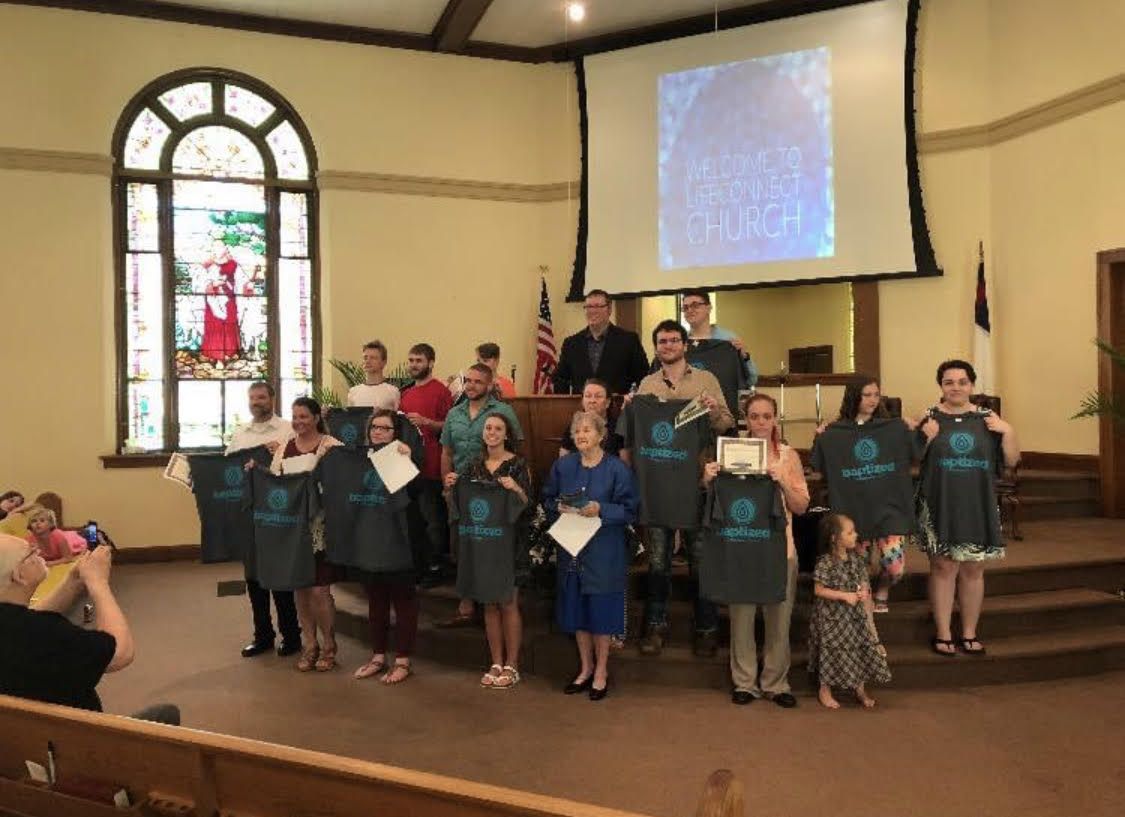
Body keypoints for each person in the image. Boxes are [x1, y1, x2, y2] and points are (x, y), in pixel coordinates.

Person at [626, 319, 734, 658]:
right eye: (662, 341)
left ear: (685, 345)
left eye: (674, 340)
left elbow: (728, 423)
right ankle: (655, 626)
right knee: (658, 562)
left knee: (700, 560)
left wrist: (715, 411)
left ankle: (707, 628)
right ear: (656, 347)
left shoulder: (705, 380)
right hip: (658, 485)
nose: (668, 345)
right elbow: (635, 431)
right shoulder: (646, 385)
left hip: (697, 483)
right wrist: (632, 408)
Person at [0, 534, 178, 724]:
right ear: (19, 575)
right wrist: (98, 583)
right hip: (76, 742)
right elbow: (119, 653)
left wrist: (73, 582)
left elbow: (22, 618)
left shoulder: (17, 625)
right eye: (30, 553)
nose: (38, 551)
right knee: (166, 714)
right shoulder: (43, 633)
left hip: (15, 740)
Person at [704, 392, 808, 707]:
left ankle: (776, 683)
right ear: (745, 420)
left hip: (780, 551)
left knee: (779, 620)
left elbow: (802, 506)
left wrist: (783, 483)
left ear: (775, 419)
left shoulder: (788, 456)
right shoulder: (731, 452)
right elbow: (714, 502)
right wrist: (707, 478)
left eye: (766, 416)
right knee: (742, 619)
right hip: (740, 546)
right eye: (754, 416)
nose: (761, 422)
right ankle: (745, 683)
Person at [917, 359, 1019, 657]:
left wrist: (1008, 431)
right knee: (944, 567)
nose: (956, 387)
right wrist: (925, 437)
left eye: (962, 381)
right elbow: (913, 457)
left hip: (977, 503)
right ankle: (943, 632)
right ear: (941, 386)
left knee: (973, 569)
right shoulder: (930, 417)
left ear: (972, 385)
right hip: (939, 503)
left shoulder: (988, 419)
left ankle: (970, 632)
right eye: (949, 382)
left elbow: (1011, 461)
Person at [542, 411, 638, 701]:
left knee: (600, 613)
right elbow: (547, 499)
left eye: (587, 430)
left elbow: (631, 509)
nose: (581, 435)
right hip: (571, 549)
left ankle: (601, 671)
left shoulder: (617, 469)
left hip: (604, 550)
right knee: (577, 611)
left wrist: (602, 509)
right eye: (577, 431)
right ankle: (585, 668)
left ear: (601, 435)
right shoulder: (563, 465)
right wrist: (558, 506)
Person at [812, 377, 916, 615]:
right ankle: (864, 603)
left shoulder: (892, 427)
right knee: (859, 567)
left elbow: (916, 449)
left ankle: (884, 589)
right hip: (854, 510)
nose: (872, 400)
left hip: (889, 507)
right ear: (853, 397)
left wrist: (910, 429)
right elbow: (819, 465)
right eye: (866, 394)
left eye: (876, 394)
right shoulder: (836, 431)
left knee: (895, 567)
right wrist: (820, 437)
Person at [444, 414, 530, 689]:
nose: (492, 432)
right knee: (488, 603)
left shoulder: (518, 465)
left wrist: (514, 488)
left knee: (507, 602)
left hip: (509, 546)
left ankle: (512, 664)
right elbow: (458, 508)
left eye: (498, 429)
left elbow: (528, 505)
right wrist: (450, 488)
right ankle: (495, 661)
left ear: (507, 434)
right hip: (481, 546)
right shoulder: (472, 468)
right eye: (488, 428)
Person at [438, 363, 524, 627]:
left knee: (488, 543)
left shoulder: (502, 411)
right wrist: (446, 485)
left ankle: (490, 597)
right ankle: (466, 601)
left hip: (494, 493)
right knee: (461, 543)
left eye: (478, 381)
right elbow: (447, 452)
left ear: (489, 385)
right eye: (468, 381)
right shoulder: (455, 413)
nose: (471, 385)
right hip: (461, 490)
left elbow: (517, 446)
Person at [266, 396, 342, 671]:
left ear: (316, 418)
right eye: (295, 417)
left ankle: (329, 644)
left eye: (304, 417)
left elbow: (342, 481)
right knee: (300, 588)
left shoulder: (331, 447)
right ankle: (310, 644)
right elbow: (274, 481)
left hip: (320, 527)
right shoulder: (284, 448)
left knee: (320, 590)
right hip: (292, 529)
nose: (298, 422)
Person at [226, 381, 300, 658]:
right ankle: (263, 636)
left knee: (279, 576)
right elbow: (229, 468)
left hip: (278, 512)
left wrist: (280, 452)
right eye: (252, 398)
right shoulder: (240, 434)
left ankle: (291, 635)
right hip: (250, 513)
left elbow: (299, 462)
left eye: (261, 397)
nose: (256, 402)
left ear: (272, 399)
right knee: (254, 578)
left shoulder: (288, 430)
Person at [352, 410, 420, 685]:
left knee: (403, 600)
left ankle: (403, 660)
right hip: (369, 538)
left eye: (385, 428)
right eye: (374, 428)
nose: (377, 432)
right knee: (375, 600)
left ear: (396, 433)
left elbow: (414, 496)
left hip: (399, 540)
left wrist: (406, 458)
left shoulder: (402, 458)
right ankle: (378, 656)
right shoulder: (358, 460)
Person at [808, 513, 891, 709]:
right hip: (831, 618)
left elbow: (863, 584)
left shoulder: (857, 560)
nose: (856, 535)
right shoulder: (825, 562)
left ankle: (859, 689)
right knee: (830, 651)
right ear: (834, 538)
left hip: (853, 618)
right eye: (850, 532)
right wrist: (843, 596)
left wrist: (863, 593)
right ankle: (825, 688)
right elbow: (818, 589)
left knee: (859, 649)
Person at [400, 343, 454, 585]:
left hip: (433, 465)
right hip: (409, 467)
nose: (414, 365)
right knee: (415, 520)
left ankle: (436, 567)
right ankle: (418, 564)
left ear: (431, 363)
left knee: (434, 520)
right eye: (411, 360)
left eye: (418, 360)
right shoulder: (406, 394)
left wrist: (426, 422)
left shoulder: (441, 391)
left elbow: (449, 426)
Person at [552, 289, 649, 396]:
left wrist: (632, 400)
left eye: (598, 306)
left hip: (618, 409)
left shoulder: (629, 340)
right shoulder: (571, 344)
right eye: (589, 306)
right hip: (582, 410)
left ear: (609, 309)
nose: (592, 311)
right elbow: (561, 380)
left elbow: (643, 379)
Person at [679, 289, 758, 385]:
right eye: (685, 307)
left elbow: (751, 380)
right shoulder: (680, 344)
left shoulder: (728, 339)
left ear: (709, 308)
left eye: (695, 305)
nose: (689, 310)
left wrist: (745, 357)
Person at [557, 378, 623, 458]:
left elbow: (624, 465)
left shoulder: (619, 428)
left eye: (598, 396)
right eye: (588, 396)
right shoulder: (573, 425)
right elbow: (563, 459)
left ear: (608, 402)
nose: (592, 400)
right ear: (582, 401)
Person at [347, 339, 401, 410]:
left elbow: (397, 419)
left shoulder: (393, 391)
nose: (367, 361)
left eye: (373, 358)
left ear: (383, 362)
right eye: (365, 358)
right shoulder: (353, 392)